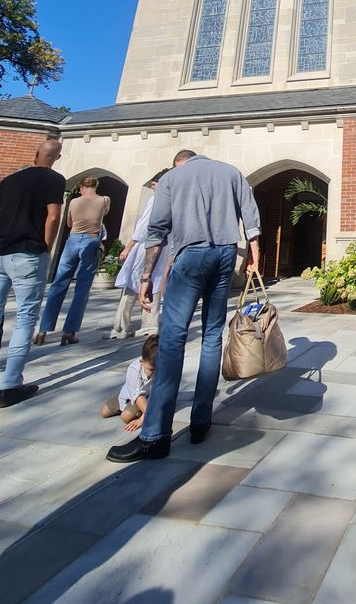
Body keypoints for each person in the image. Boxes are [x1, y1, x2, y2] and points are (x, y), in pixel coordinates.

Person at [106, 149, 261, 463]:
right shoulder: (231, 172)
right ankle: (200, 421)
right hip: (225, 254)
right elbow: (251, 217)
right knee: (212, 335)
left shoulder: (172, 178)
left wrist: (147, 276)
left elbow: (157, 229)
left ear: (179, 162)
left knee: (173, 340)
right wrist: (255, 255)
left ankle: (155, 436)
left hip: (190, 255)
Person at [0, 139, 65, 408]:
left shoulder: (9, 181)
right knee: (25, 318)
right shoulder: (54, 180)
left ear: (35, 155)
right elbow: (54, 215)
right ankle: (10, 385)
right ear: (57, 157)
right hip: (28, 253)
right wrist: (45, 248)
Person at [35, 175, 110, 346]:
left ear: (82, 187)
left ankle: (43, 329)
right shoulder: (104, 199)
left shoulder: (74, 201)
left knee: (59, 282)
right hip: (91, 239)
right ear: (95, 186)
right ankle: (69, 330)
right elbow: (104, 214)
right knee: (82, 287)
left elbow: (69, 223)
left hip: (74, 238)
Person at [110, 170, 169, 339]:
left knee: (141, 281)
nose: (152, 187)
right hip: (153, 244)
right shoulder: (164, 198)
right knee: (145, 282)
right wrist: (130, 246)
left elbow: (144, 226)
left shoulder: (159, 199)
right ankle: (127, 324)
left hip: (148, 245)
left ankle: (126, 324)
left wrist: (130, 245)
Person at [100, 334, 158, 431]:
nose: (153, 372)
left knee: (125, 417)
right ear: (142, 361)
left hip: (145, 396)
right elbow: (137, 395)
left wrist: (141, 420)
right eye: (151, 369)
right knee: (104, 412)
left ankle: (142, 410)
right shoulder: (134, 369)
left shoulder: (158, 369)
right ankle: (129, 405)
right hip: (130, 393)